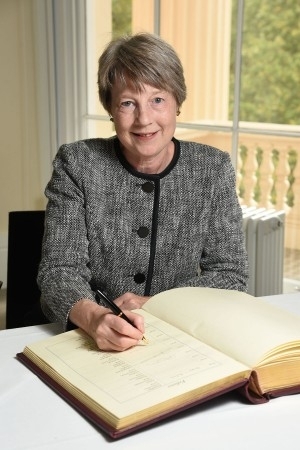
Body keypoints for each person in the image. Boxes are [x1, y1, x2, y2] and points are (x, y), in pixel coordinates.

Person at [37, 32, 248, 352]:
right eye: (127, 103)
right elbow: (58, 273)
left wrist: (153, 304)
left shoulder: (213, 169)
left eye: (158, 99)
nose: (144, 119)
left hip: (180, 339)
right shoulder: (77, 164)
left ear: (178, 102)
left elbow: (230, 276)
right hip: (90, 338)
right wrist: (95, 318)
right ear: (110, 108)